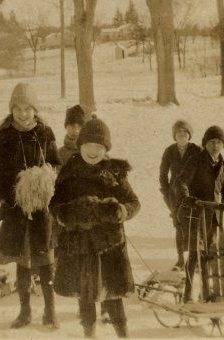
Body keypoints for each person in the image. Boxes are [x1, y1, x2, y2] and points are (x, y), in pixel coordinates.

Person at [50, 116, 140, 338]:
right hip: (80, 245)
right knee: (86, 294)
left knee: (113, 294)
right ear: (80, 146)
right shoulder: (69, 172)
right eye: (88, 145)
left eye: (98, 146)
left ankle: (123, 335)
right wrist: (68, 213)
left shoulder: (114, 173)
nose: (93, 151)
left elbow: (134, 203)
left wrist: (121, 210)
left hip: (110, 245)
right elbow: (55, 205)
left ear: (105, 148)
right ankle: (89, 335)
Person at [0, 82, 60, 330]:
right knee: (22, 262)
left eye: (28, 108)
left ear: (35, 109)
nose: (23, 113)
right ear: (12, 109)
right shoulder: (3, 136)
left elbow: (55, 164)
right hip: (16, 207)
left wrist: (43, 178)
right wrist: (5, 199)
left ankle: (50, 312)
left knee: (45, 262)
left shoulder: (45, 133)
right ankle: (25, 311)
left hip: (42, 208)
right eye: (18, 108)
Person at [175, 125, 224, 303]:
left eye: (218, 142)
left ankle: (205, 292)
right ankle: (187, 294)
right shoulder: (196, 160)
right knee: (194, 254)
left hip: (213, 217)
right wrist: (188, 198)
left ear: (223, 145)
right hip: (195, 213)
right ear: (205, 144)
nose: (215, 146)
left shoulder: (223, 164)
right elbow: (181, 182)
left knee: (208, 254)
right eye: (211, 142)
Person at [159, 119, 201, 270]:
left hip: (193, 195)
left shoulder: (197, 150)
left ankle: (194, 259)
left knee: (194, 225)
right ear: (174, 136)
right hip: (175, 195)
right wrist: (166, 192)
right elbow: (163, 174)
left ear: (189, 135)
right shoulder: (169, 151)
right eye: (179, 133)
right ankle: (181, 259)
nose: (182, 136)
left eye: (185, 133)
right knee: (179, 225)